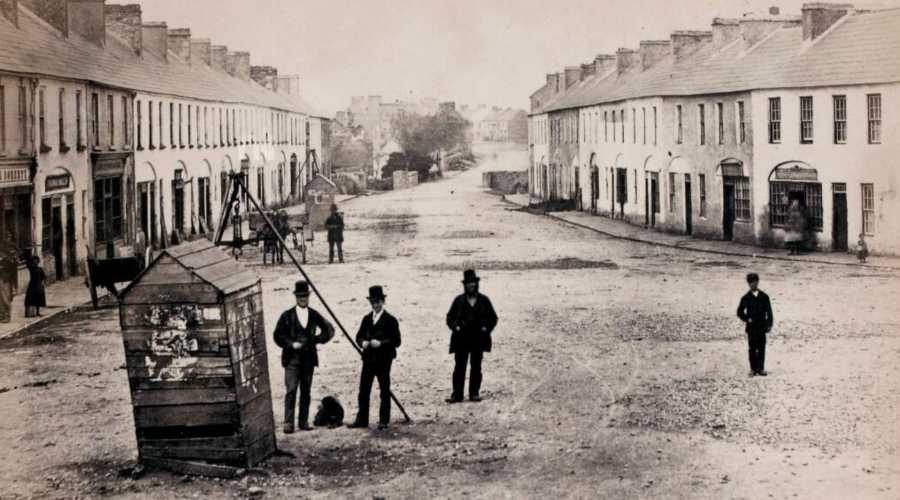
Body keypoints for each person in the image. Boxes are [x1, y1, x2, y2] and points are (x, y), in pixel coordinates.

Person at [273, 280, 335, 433]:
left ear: (309, 296)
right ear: (296, 297)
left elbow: (329, 330)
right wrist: (291, 344)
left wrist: (315, 340)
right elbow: (277, 335)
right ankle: (288, 423)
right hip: (292, 359)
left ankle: (303, 421)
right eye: (300, 296)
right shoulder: (287, 316)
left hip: (308, 359)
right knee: (291, 390)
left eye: (305, 296)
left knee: (306, 391)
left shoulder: (314, 315)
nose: (303, 299)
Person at [348, 285, 401, 430]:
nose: (375, 305)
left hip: (384, 360)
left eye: (378, 302)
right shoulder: (366, 319)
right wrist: (362, 343)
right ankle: (362, 419)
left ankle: (384, 420)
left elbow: (397, 341)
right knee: (363, 390)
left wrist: (381, 343)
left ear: (383, 301)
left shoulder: (391, 320)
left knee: (384, 389)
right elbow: (358, 336)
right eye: (373, 302)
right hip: (368, 359)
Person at [445, 269, 498, 403]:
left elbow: (493, 317)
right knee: (459, 367)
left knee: (476, 366)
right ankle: (457, 394)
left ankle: (474, 393)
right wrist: (455, 326)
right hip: (461, 339)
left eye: (473, 283)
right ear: (465, 285)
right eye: (469, 283)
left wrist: (486, 328)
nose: (471, 285)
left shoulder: (484, 300)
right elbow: (449, 317)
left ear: (476, 284)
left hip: (478, 339)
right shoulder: (459, 301)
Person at [736, 273, 774, 377]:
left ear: (757, 282)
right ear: (748, 284)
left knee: (761, 348)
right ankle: (753, 369)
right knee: (752, 348)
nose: (752, 284)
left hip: (761, 327)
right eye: (750, 282)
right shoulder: (746, 298)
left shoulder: (764, 297)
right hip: (751, 328)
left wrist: (769, 324)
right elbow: (739, 311)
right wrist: (747, 319)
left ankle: (761, 368)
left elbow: (769, 312)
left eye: (754, 282)